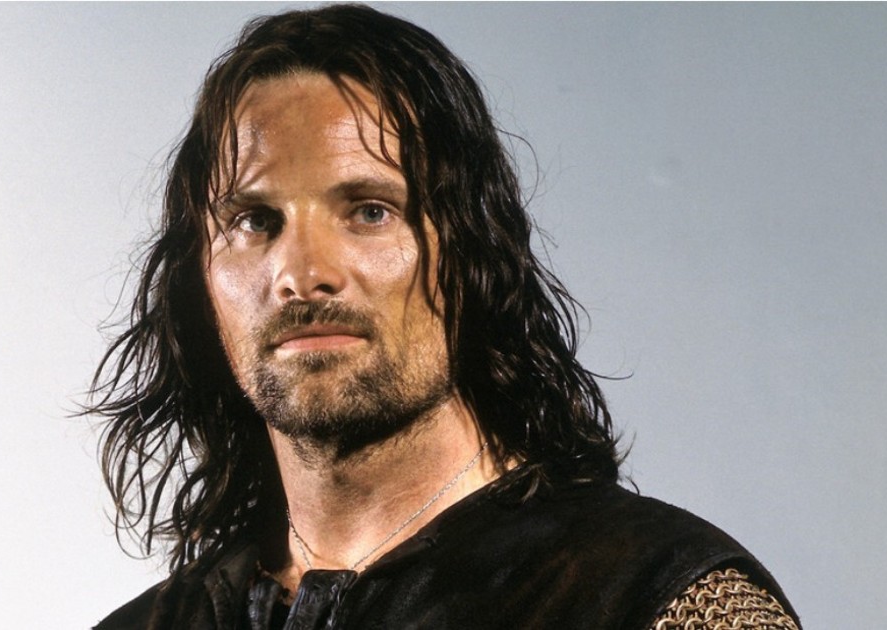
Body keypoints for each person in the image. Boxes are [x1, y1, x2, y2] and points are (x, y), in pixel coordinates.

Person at [86, 5, 800, 629]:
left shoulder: (649, 600)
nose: (302, 274)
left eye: (370, 211)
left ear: (471, 251)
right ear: (199, 280)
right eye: (254, 221)